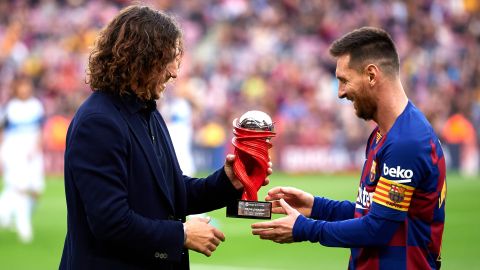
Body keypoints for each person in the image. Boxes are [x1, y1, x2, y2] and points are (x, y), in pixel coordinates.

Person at [59, 5, 270, 270]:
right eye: (167, 59)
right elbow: (111, 222)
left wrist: (229, 181)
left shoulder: (146, 111)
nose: (174, 72)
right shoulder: (99, 122)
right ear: (141, 58)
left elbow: (171, 193)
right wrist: (182, 234)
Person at [252, 27, 447, 269]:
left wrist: (304, 228)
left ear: (372, 75)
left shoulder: (407, 141)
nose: (341, 92)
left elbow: (377, 228)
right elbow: (370, 212)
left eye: (344, 80)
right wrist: (315, 206)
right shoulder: (382, 134)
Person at [0, 76, 45, 243]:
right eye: (21, 86)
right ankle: (23, 225)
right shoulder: (10, 108)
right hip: (15, 154)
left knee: (36, 190)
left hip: (33, 155)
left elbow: (40, 128)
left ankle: (4, 213)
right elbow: (3, 132)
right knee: (20, 188)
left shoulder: (36, 106)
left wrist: (37, 147)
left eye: (27, 86)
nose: (24, 89)